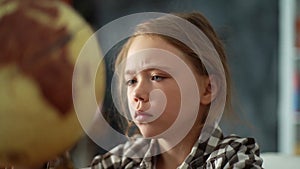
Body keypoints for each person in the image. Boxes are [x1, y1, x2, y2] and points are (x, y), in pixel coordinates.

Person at [90, 12, 263, 169]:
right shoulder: (122, 160)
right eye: (131, 81)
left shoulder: (231, 158)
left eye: (157, 77)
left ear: (207, 89)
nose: (137, 94)